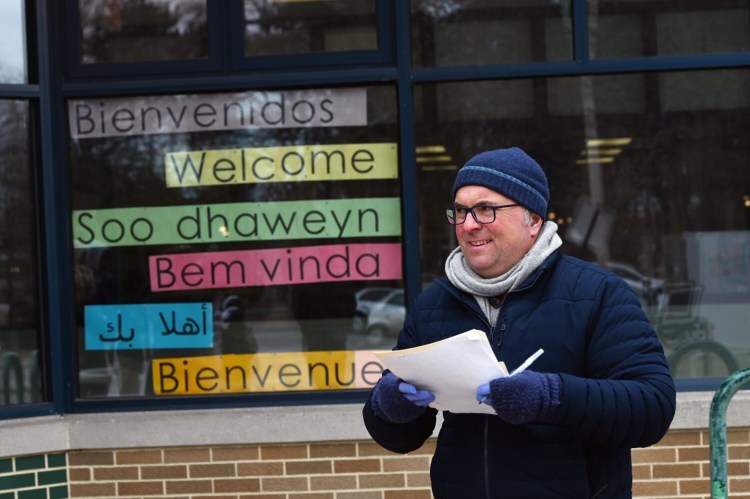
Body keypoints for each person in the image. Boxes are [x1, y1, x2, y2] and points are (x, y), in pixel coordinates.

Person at [362, 147, 676, 498]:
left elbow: (651, 408)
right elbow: (400, 438)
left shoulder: (596, 293)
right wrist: (389, 408)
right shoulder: (434, 305)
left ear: (534, 220)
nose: (468, 224)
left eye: (486, 209)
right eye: (461, 211)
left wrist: (551, 397)